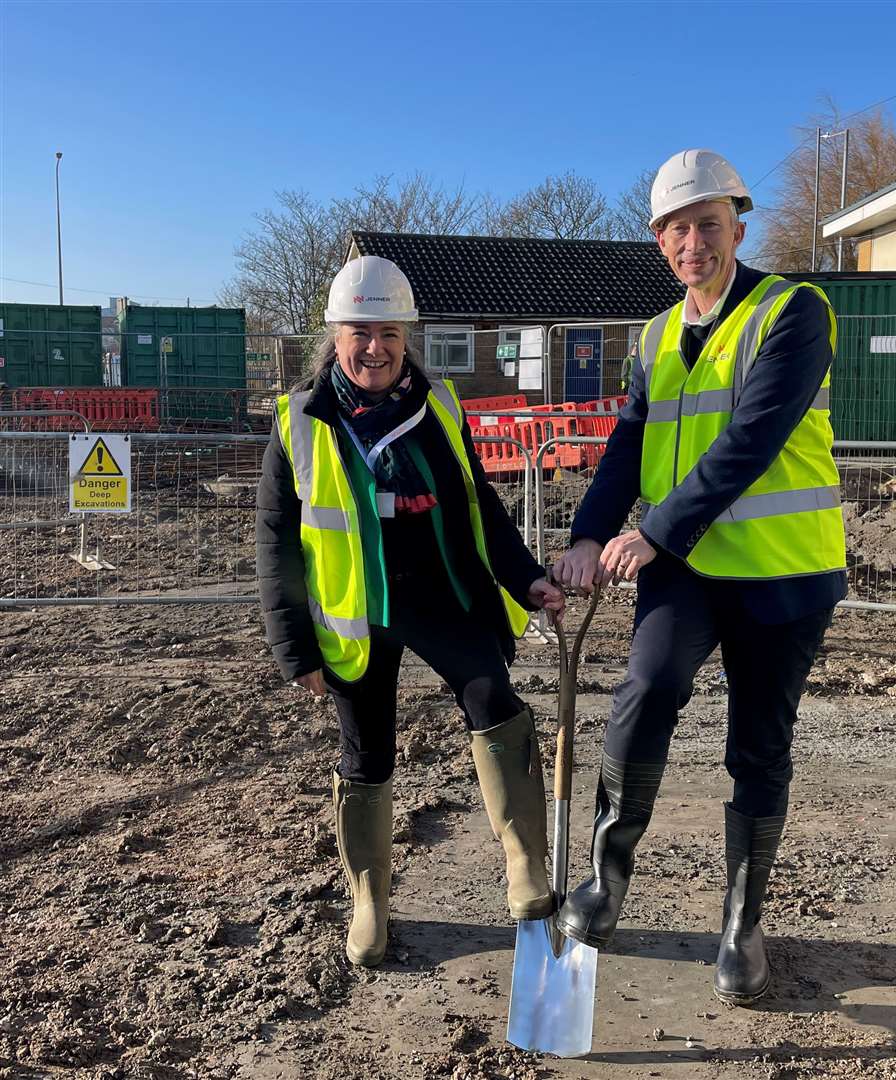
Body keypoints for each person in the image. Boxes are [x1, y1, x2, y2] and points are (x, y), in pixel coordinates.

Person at [553, 149, 846, 1005]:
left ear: (738, 229)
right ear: (658, 241)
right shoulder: (652, 335)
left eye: (709, 225)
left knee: (759, 744)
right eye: (677, 229)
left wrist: (655, 530)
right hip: (683, 571)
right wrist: (585, 535)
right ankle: (608, 880)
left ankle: (742, 923)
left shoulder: (792, 311)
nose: (694, 243)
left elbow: (752, 438)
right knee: (643, 694)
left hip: (781, 573)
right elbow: (625, 447)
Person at [256, 256, 564, 967]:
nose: (375, 347)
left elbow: (481, 507)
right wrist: (292, 646)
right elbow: (276, 541)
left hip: (442, 594)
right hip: (356, 612)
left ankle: (525, 865)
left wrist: (525, 579)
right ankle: (370, 902)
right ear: (334, 335)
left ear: (407, 337)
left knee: (494, 700)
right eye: (360, 331)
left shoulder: (442, 406)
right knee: (365, 753)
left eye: (389, 331)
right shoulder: (297, 421)